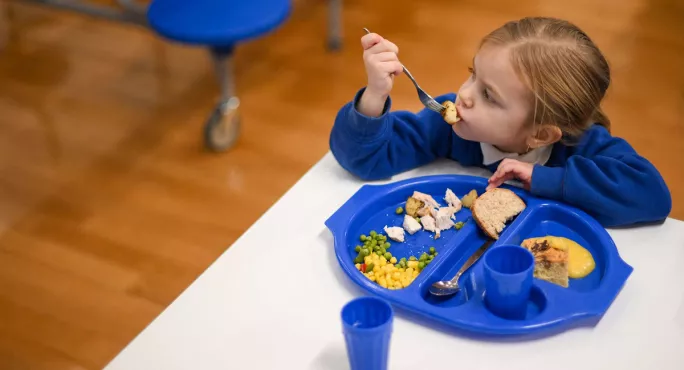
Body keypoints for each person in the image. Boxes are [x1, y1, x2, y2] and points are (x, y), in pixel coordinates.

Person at [329, 16, 671, 227]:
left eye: (489, 95)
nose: (463, 95)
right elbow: (364, 159)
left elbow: (653, 197)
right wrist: (374, 96)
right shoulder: (447, 126)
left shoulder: (582, 146)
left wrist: (546, 179)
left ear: (540, 135)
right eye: (472, 74)